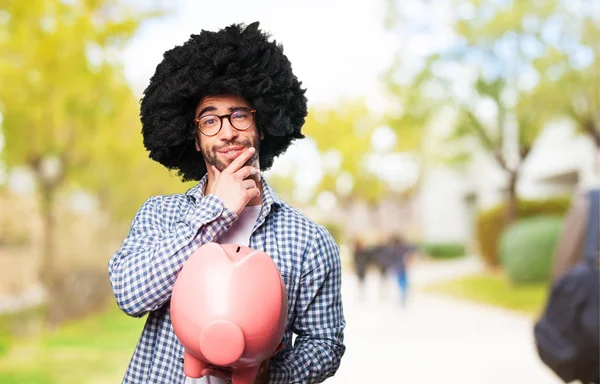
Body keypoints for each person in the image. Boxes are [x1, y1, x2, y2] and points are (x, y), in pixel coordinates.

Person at [108, 22, 346, 384]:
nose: (227, 130)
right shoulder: (159, 214)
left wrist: (266, 373)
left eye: (239, 114)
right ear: (194, 136)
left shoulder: (310, 240)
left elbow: (325, 344)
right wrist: (216, 211)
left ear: (261, 124)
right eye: (209, 119)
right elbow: (131, 294)